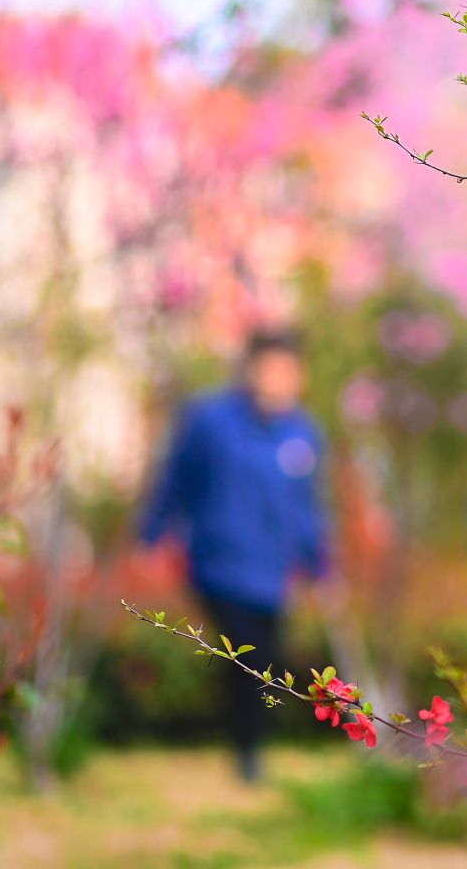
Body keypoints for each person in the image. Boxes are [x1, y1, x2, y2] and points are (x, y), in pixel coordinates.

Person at [139, 325, 328, 782]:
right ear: (251, 370)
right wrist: (151, 536)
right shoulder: (210, 420)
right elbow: (176, 479)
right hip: (218, 564)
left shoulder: (303, 434)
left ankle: (250, 743)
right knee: (245, 656)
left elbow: (308, 506)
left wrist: (320, 564)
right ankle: (248, 754)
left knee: (267, 661)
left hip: (272, 571)